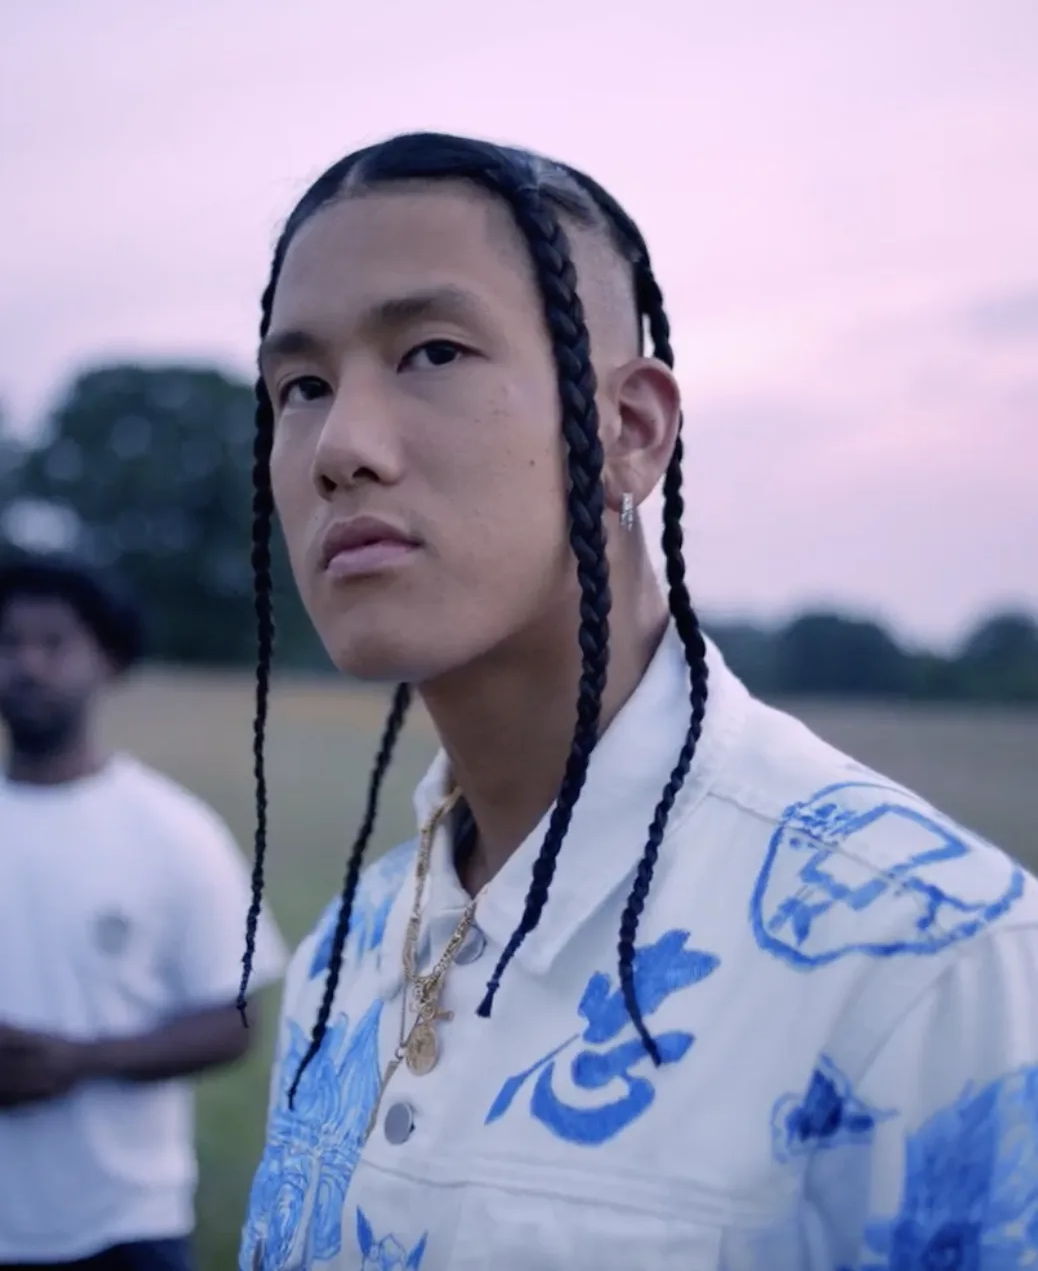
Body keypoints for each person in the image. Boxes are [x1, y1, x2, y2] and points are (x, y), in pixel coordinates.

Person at [238, 132, 1038, 1271]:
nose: (340, 447)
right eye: (301, 386)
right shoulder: (346, 954)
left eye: (431, 352)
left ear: (629, 430)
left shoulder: (930, 954)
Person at [0, 550, 286, 1270]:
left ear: (107, 660)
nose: (27, 664)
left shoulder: (172, 832)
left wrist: (80, 1061)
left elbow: (233, 1019)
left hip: (124, 1223)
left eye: (54, 643)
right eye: (7, 643)